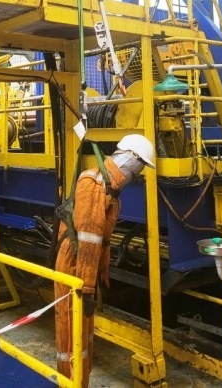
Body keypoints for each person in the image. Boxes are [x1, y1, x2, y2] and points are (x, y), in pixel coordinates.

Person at [54, 133, 155, 386]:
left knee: (84, 332)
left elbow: (102, 240)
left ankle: (81, 380)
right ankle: (69, 380)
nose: (139, 173)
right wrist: (87, 288)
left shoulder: (111, 189)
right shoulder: (93, 183)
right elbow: (88, 240)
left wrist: (102, 271)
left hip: (85, 267)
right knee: (69, 328)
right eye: (140, 166)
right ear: (130, 160)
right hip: (73, 263)